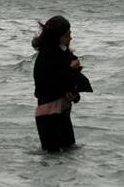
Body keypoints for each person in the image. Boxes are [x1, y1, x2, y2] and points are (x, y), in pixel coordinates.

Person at [32, 16, 92, 153]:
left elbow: (71, 82)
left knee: (69, 151)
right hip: (48, 114)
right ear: (56, 37)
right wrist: (70, 74)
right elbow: (44, 87)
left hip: (63, 110)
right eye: (67, 36)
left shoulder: (64, 54)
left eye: (70, 35)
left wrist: (74, 96)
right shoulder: (45, 58)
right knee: (52, 156)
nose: (70, 39)